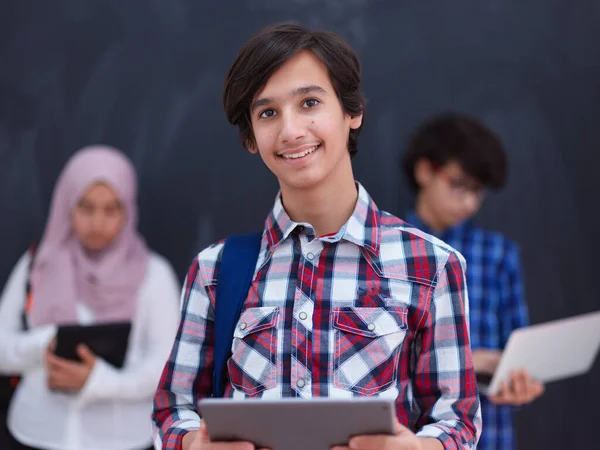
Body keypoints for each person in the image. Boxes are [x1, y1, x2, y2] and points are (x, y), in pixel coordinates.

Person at [152, 23, 481, 450]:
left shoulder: (432, 264)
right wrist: (194, 444)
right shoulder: (216, 270)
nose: (291, 131)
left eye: (309, 102)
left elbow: (457, 421)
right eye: (267, 113)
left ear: (353, 111)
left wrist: (417, 448)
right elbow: (171, 411)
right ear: (251, 137)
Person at [0, 146, 180, 450]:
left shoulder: (154, 274)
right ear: (66, 204)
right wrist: (47, 341)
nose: (98, 222)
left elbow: (166, 365)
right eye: (86, 207)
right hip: (35, 432)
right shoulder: (37, 264)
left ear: (128, 209)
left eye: (112, 209)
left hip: (121, 439)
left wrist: (97, 381)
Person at [401, 112, 545, 450]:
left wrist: (520, 381)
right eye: (459, 185)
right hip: (410, 436)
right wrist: (467, 361)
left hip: (489, 434)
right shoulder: (386, 249)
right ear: (425, 171)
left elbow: (518, 350)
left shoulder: (498, 254)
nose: (469, 202)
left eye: (477, 191)